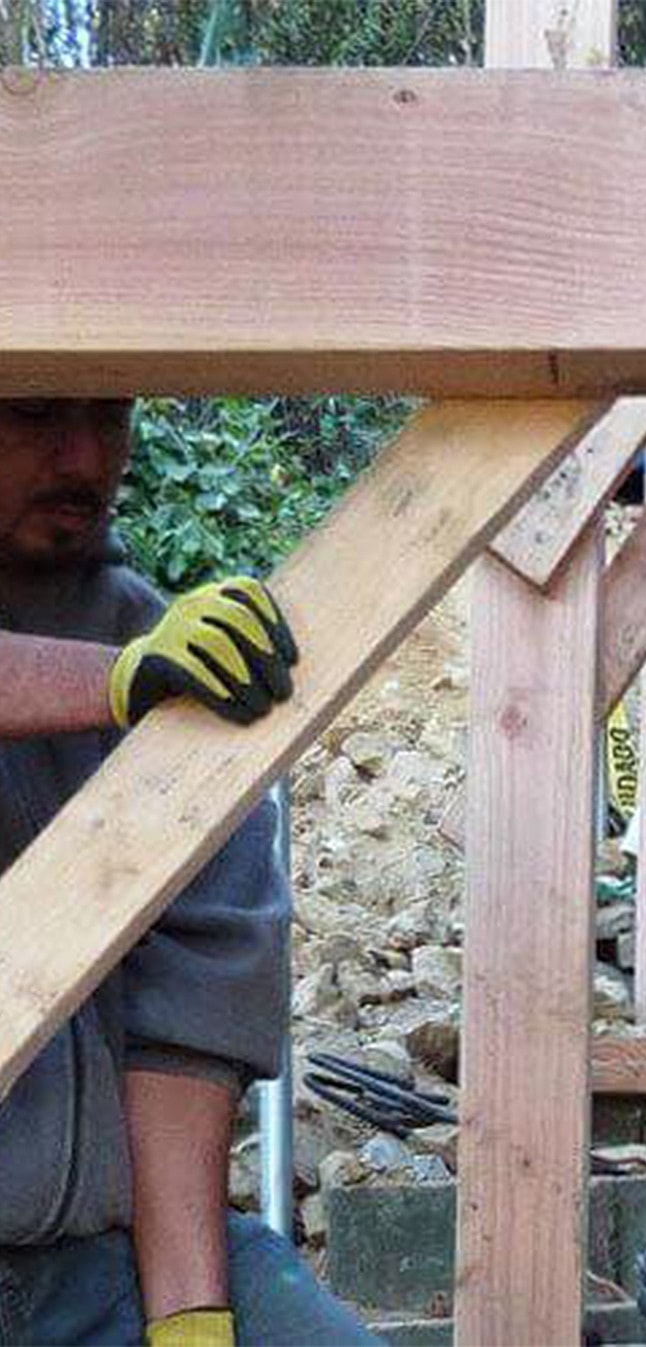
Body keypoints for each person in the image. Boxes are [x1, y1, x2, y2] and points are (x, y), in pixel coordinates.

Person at [0, 398, 373, 1345]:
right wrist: (110, 681)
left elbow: (186, 1023)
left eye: (111, 414)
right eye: (32, 413)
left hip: (97, 1270)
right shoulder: (147, 671)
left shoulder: (178, 670)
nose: (83, 455)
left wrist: (190, 1319)